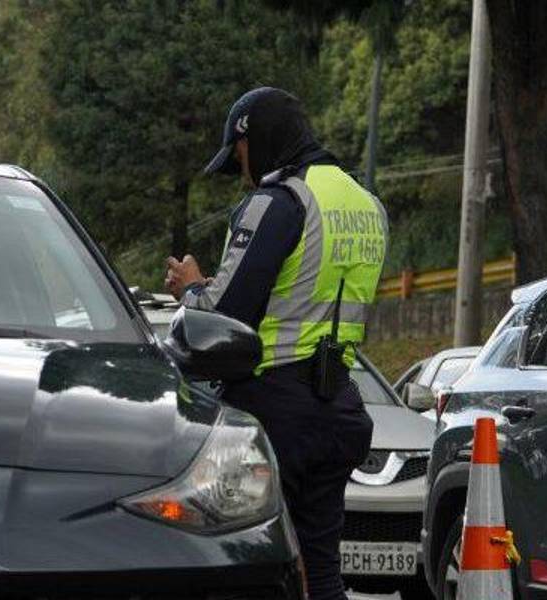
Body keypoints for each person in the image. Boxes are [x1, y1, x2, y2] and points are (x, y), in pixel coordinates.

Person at [164, 87, 387, 600]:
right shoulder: (368, 205)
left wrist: (192, 287)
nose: (241, 172)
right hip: (340, 407)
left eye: (238, 156)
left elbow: (222, 318)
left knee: (249, 564)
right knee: (323, 570)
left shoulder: (278, 201)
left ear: (255, 138)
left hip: (272, 411)